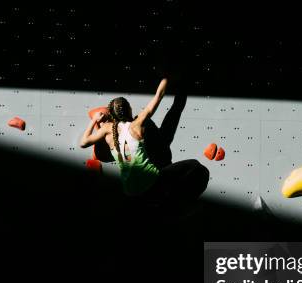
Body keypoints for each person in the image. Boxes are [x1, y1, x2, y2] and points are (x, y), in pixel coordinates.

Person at [79, 77, 209, 213]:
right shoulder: (138, 123)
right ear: (129, 109)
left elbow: (83, 143)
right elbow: (159, 95)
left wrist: (94, 120)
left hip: (131, 192)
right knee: (197, 167)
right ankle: (183, 205)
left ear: (112, 116)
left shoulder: (107, 130)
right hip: (154, 184)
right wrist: (167, 76)